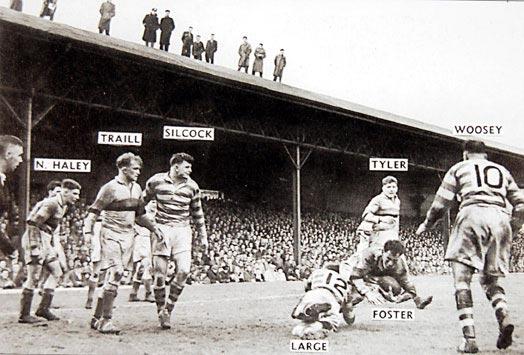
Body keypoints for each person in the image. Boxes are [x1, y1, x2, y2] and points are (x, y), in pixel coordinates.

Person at [416, 140, 524, 353]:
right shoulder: (503, 171)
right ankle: (503, 315)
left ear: (466, 154)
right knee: (490, 280)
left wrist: (427, 224)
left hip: (472, 214)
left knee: (462, 281)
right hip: (501, 219)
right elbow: (520, 205)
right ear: (485, 155)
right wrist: (513, 227)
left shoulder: (459, 168)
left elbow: (441, 203)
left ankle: (469, 339)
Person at [84, 153, 163, 334]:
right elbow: (93, 212)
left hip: (128, 236)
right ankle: (106, 320)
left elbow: (140, 215)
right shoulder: (109, 188)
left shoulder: (136, 189)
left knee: (116, 277)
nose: (138, 172)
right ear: (123, 168)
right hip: (110, 234)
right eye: (135, 168)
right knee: (117, 272)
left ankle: (96, 318)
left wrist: (154, 229)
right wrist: (88, 232)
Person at [143, 153, 208, 329]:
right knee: (159, 276)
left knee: (184, 271)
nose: (190, 170)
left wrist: (203, 236)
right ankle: (160, 312)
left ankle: (168, 309)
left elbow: (197, 212)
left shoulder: (192, 187)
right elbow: (141, 203)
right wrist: (146, 223)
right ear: (176, 166)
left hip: (182, 230)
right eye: (187, 167)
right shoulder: (156, 181)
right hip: (162, 228)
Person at [19, 179, 82, 323]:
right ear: (65, 192)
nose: (77, 197)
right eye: (75, 194)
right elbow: (32, 222)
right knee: (33, 277)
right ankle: (24, 314)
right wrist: (34, 246)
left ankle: (43, 308)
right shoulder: (52, 203)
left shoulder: (63, 206)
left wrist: (54, 249)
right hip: (34, 239)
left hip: (46, 241)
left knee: (57, 272)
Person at [346, 240, 432, 310]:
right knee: (355, 297)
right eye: (388, 259)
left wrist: (402, 297)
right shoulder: (369, 255)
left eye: (394, 260)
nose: (390, 263)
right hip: (350, 270)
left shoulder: (400, 265)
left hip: (371, 277)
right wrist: (367, 292)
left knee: (395, 287)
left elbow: (408, 286)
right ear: (383, 252)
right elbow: (355, 276)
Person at [291, 263, 354, 340]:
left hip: (313, 293)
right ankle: (317, 326)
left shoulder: (317, 272)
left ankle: (303, 313)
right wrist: (350, 320)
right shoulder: (345, 282)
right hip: (332, 298)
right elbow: (348, 311)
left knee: (299, 327)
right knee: (331, 322)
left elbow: (307, 288)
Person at [36, 180, 65, 295]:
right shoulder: (45, 204)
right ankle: (41, 288)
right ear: (50, 192)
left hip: (51, 238)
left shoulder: (60, 206)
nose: (59, 194)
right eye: (57, 191)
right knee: (47, 266)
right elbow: (35, 221)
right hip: (41, 238)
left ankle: (43, 289)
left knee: (54, 266)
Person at [0, 135, 23, 258]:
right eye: (19, 155)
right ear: (8, 154)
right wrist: (9, 249)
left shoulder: (3, 181)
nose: (20, 160)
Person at [128, 201, 156, 303]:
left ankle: (133, 293)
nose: (155, 204)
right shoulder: (144, 214)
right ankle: (148, 293)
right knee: (145, 266)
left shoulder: (151, 214)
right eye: (153, 202)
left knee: (141, 268)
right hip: (141, 240)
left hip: (143, 240)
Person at [84, 216, 102, 309]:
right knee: (96, 271)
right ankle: (90, 298)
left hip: (113, 231)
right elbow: (89, 219)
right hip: (98, 230)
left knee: (112, 269)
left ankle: (105, 299)